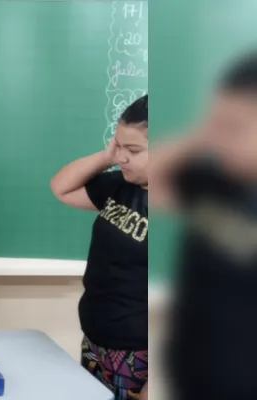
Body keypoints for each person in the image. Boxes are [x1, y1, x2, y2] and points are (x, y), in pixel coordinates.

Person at [149, 50, 257, 400]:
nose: (221, 139)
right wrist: (203, 133)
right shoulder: (209, 180)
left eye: (236, 127)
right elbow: (146, 179)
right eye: (217, 124)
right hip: (192, 374)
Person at [50, 95, 149, 399]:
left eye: (133, 150)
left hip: (139, 361)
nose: (123, 157)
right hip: (96, 342)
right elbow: (61, 188)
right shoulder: (121, 185)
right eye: (119, 146)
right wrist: (108, 156)